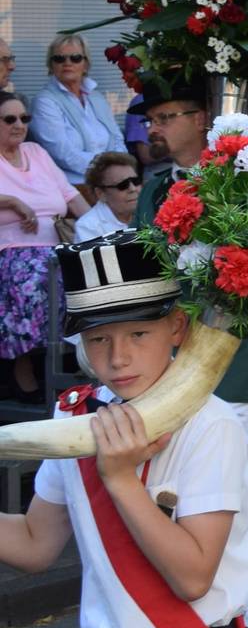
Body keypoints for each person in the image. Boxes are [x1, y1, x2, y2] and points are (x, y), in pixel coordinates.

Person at [0, 235, 248, 628]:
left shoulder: (211, 426)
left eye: (138, 334)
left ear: (178, 328)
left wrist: (121, 480)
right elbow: (34, 544)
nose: (117, 357)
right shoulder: (76, 415)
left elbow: (194, 576)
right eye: (98, 338)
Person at [134, 81, 248, 628]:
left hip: (236, 349)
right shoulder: (156, 190)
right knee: (241, 481)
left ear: (201, 118)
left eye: (166, 116)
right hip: (183, 350)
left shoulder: (239, 180)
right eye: (151, 118)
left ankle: (235, 611)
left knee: (215, 480)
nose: (155, 127)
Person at [0, 89, 90, 400]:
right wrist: (12, 201)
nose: (19, 125)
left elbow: (69, 195)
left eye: (24, 118)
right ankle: (24, 367)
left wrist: (98, 229)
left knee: (84, 273)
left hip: (55, 247)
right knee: (37, 278)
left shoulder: (36, 152)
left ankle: (76, 361)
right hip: (11, 251)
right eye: (9, 119)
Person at [27, 35, 129, 190]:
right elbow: (63, 154)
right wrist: (109, 171)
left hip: (114, 183)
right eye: (59, 59)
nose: (67, 63)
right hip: (74, 187)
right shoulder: (45, 102)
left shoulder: (97, 97)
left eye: (75, 58)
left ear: (86, 64)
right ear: (51, 65)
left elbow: (117, 139)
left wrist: (121, 168)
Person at [74, 150, 142, 241]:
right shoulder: (88, 227)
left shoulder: (152, 211)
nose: (133, 189)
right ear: (101, 194)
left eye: (135, 181)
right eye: (122, 185)